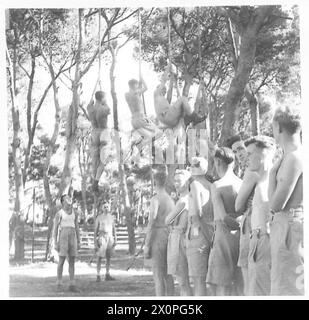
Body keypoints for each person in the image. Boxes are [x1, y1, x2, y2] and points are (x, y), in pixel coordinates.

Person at [268, 106, 303, 295]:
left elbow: (275, 204)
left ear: (278, 127)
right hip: (287, 226)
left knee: (287, 289)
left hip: (289, 226)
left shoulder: (294, 158)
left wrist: (272, 173)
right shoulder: (291, 157)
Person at [206, 147, 242, 296]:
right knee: (240, 286)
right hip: (241, 238)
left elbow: (222, 217)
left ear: (218, 161)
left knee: (221, 285)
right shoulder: (242, 183)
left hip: (223, 238)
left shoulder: (217, 185)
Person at [244, 136, 276, 295]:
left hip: (265, 242)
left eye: (250, 153)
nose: (246, 158)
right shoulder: (261, 181)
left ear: (265, 154)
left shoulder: (273, 180)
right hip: (257, 241)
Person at [144, 168, 175, 296]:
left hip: (157, 237)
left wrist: (147, 244)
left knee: (158, 276)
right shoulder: (170, 200)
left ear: (154, 182)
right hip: (169, 236)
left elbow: (152, 222)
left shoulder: (155, 199)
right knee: (168, 275)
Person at [186, 157, 214, 296]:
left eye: (194, 165)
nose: (192, 167)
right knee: (209, 281)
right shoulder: (211, 185)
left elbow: (197, 211)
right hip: (211, 232)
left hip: (198, 233)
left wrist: (194, 230)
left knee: (198, 280)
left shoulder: (195, 185)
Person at [235, 141, 259, 295]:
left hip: (251, 220)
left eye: (241, 149)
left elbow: (238, 205)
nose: (239, 154)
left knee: (248, 274)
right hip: (258, 220)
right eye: (235, 152)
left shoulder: (252, 171)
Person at [165, 169, 192, 296]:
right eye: (174, 181)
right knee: (185, 281)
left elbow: (167, 220)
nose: (176, 184)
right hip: (183, 237)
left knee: (182, 281)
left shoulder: (183, 201)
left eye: (179, 181)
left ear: (187, 183)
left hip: (178, 238)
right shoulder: (189, 198)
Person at [53, 194, 80, 292]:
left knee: (72, 260)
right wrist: (55, 242)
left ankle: (72, 284)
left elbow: (77, 226)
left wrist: (79, 240)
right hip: (63, 237)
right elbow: (55, 228)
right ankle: (59, 282)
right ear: (63, 201)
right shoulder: (59, 213)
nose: (69, 199)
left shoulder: (75, 213)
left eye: (70, 198)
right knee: (61, 261)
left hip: (72, 237)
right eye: (67, 198)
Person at [87, 91, 111, 192]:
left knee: (95, 159)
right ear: (103, 98)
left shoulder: (90, 108)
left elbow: (89, 105)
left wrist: (91, 101)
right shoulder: (104, 108)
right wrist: (105, 101)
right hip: (104, 132)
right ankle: (96, 182)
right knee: (103, 160)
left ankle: (94, 180)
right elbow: (108, 109)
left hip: (94, 132)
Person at [125, 77, 160, 142]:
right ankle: (140, 143)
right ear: (133, 85)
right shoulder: (132, 93)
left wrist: (142, 79)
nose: (138, 86)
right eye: (137, 85)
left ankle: (139, 143)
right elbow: (145, 88)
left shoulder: (132, 94)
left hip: (136, 120)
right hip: (140, 119)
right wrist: (141, 79)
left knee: (150, 137)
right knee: (158, 133)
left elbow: (145, 88)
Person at [94, 201, 117, 282]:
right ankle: (98, 275)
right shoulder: (99, 218)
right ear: (102, 208)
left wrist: (115, 239)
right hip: (102, 237)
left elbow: (114, 229)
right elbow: (95, 231)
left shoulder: (111, 217)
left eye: (107, 207)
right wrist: (95, 243)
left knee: (108, 257)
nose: (106, 208)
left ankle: (107, 274)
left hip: (110, 237)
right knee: (100, 257)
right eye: (104, 207)